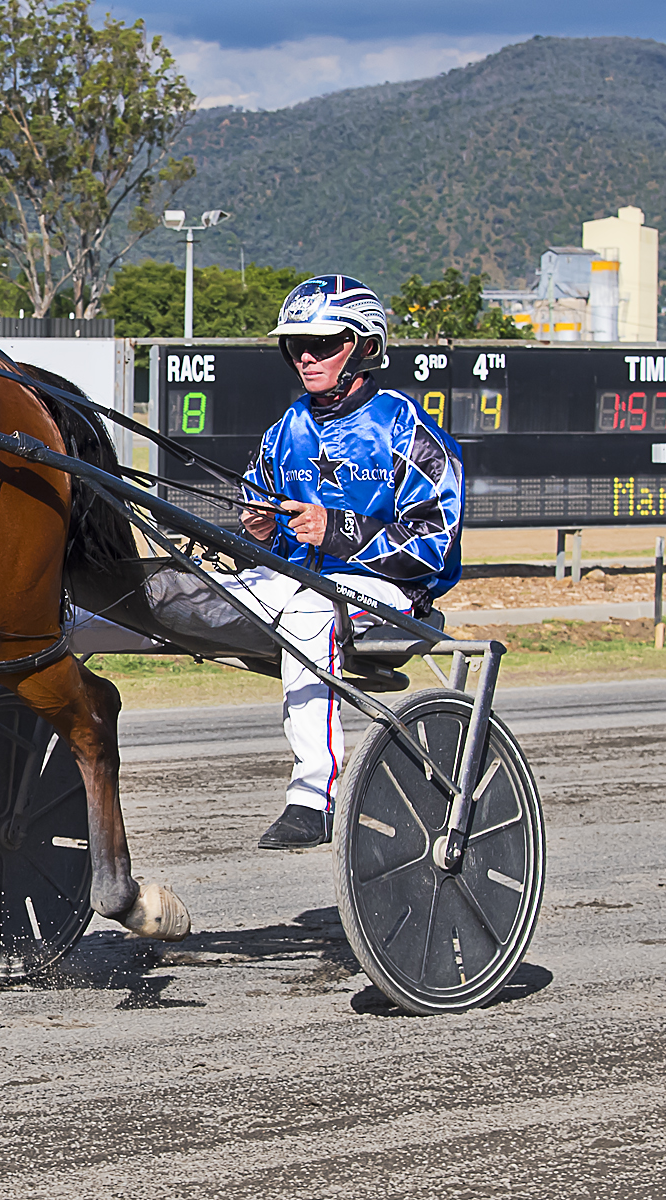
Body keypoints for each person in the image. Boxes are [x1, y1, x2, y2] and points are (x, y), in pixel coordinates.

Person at [226, 275, 465, 849]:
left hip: (389, 596)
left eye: (323, 344)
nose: (305, 357)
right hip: (300, 582)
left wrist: (339, 531)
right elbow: (265, 522)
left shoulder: (405, 428)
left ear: (363, 345)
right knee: (193, 586)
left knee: (311, 608)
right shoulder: (285, 432)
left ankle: (315, 797)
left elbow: (436, 543)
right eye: (294, 346)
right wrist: (256, 531)